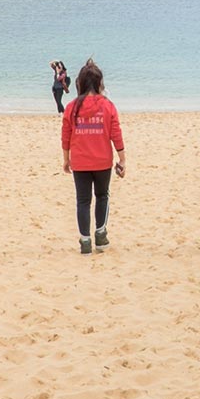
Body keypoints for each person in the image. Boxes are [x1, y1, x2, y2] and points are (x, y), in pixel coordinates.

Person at [61, 59, 125, 254]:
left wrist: (66, 159)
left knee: (83, 200)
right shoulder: (107, 106)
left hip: (80, 161)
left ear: (79, 83)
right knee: (102, 196)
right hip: (102, 161)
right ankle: (100, 233)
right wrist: (122, 159)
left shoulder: (72, 107)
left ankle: (85, 240)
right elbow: (116, 133)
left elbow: (66, 135)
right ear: (99, 83)